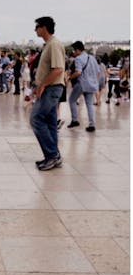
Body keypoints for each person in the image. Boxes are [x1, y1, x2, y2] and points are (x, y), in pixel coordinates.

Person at [30, 17, 66, 171]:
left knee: (36, 119)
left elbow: (58, 69)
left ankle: (52, 155)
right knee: (50, 124)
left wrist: (42, 85)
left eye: (37, 27)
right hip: (50, 87)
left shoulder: (54, 44)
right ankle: (54, 156)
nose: (35, 29)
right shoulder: (49, 45)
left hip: (51, 88)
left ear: (44, 28)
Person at [67, 41, 100, 132]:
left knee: (72, 100)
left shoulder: (78, 59)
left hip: (82, 83)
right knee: (89, 104)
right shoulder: (92, 58)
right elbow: (98, 72)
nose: (73, 52)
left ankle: (75, 120)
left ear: (78, 50)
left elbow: (78, 72)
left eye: (74, 50)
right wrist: (93, 81)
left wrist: (70, 77)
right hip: (92, 84)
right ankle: (92, 125)